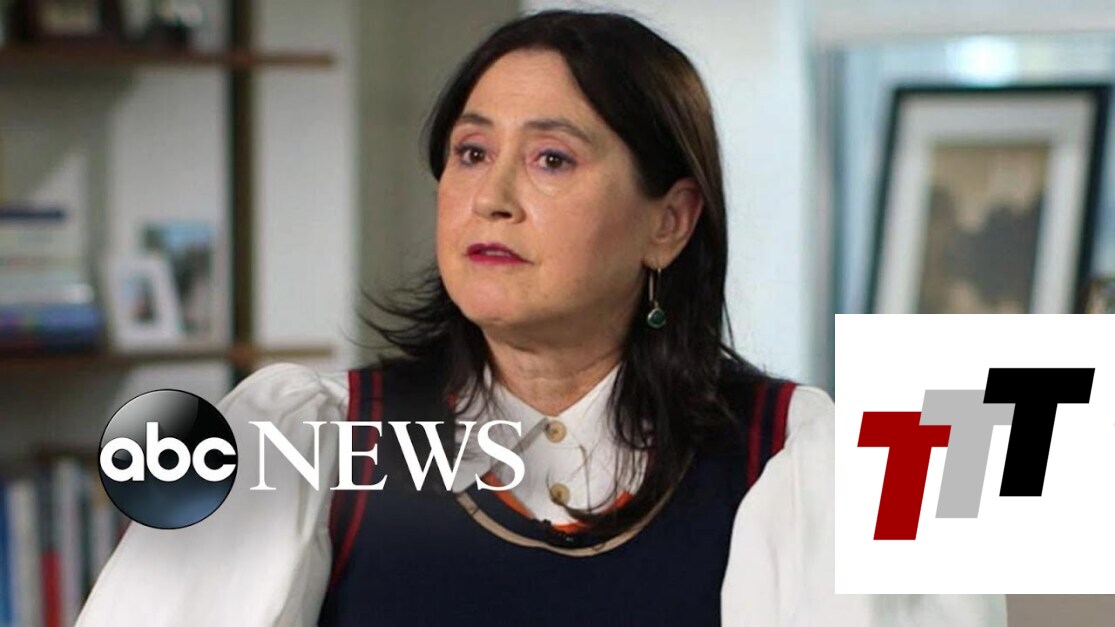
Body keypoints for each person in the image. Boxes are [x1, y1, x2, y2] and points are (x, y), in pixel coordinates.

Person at [78, 10, 1005, 626]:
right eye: (470, 152)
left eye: (551, 159)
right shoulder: (298, 442)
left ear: (669, 221)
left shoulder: (801, 457)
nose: (491, 197)